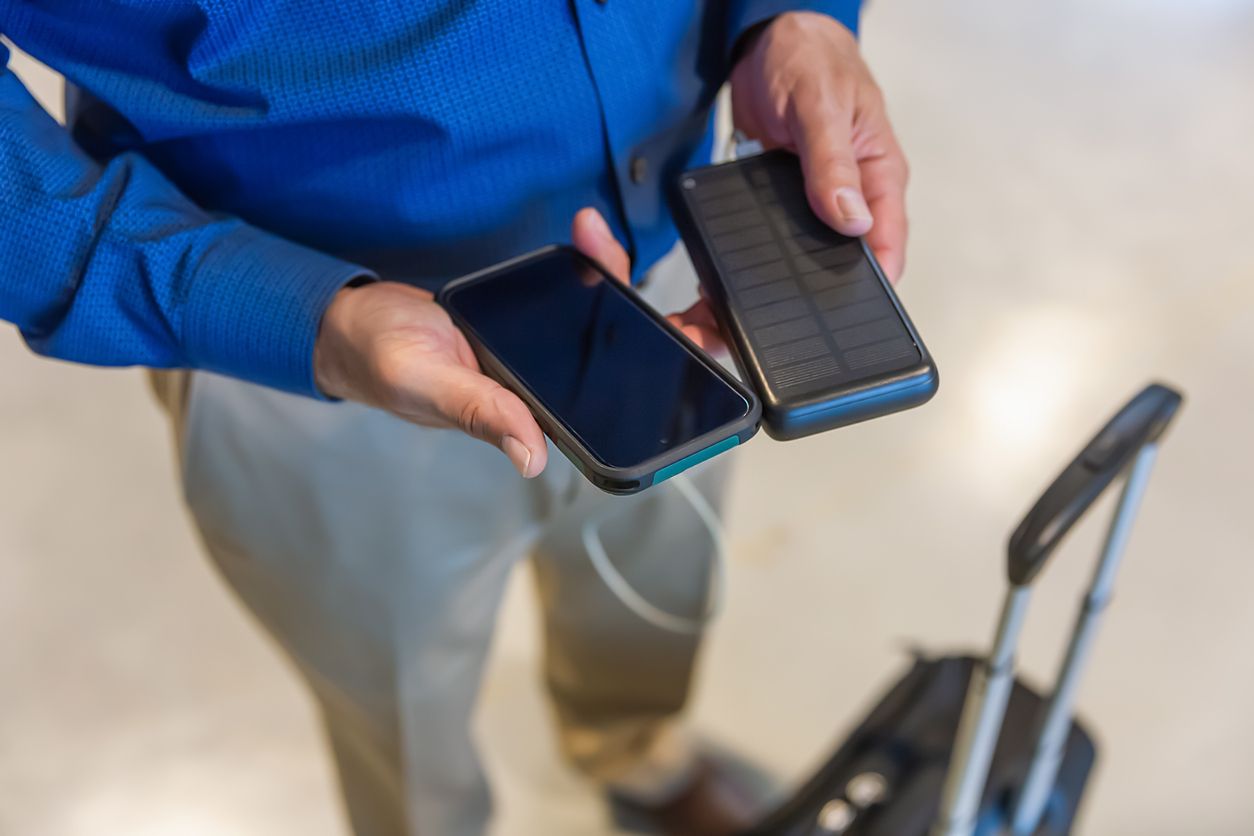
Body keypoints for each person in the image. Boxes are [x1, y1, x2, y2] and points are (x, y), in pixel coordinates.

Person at [0, 3, 908, 835]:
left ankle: (634, 752)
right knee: (397, 700)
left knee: (654, 575)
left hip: (670, 264)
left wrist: (791, 18)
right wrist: (273, 310)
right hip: (313, 342)